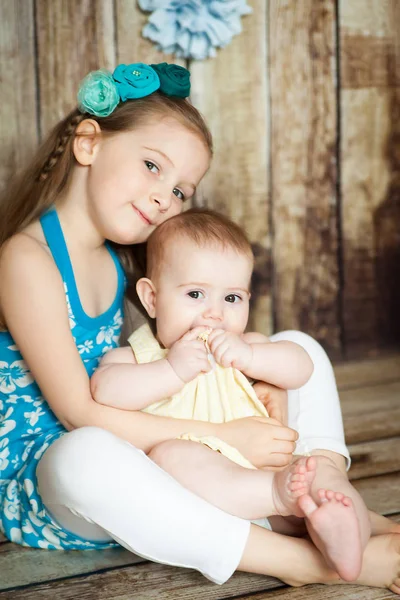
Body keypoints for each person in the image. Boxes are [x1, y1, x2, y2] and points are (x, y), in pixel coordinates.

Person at [0, 62, 399, 594]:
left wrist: (255, 387)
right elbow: (79, 413)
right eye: (151, 166)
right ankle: (304, 561)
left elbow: (171, 354)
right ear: (89, 143)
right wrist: (227, 437)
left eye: (183, 190)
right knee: (83, 457)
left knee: (295, 349)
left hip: (157, 457)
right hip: (62, 485)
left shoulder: (122, 258)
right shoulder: (28, 259)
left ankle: (331, 497)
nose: (166, 197)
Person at [91, 207, 369, 582]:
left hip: (283, 478)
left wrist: (253, 356)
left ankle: (346, 533)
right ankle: (282, 499)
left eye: (232, 299)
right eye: (195, 294)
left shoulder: (245, 348)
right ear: (152, 298)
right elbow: (104, 391)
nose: (215, 314)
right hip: (218, 501)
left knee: (322, 472)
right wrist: (170, 370)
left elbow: (301, 367)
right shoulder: (137, 356)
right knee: (171, 457)